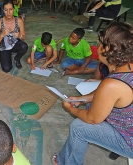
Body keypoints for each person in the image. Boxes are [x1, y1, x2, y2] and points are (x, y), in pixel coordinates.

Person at [53, 22, 133, 165]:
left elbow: (92, 119)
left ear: (107, 49)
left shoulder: (112, 84)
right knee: (90, 106)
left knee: (78, 127)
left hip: (129, 139)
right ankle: (62, 159)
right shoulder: (124, 67)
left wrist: (71, 108)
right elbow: (104, 93)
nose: (97, 47)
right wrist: (81, 99)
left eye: (99, 44)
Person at [0, 0, 28, 72]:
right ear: (3, 10)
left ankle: (16, 58)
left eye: (10, 9)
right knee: (6, 69)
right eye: (6, 10)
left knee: (24, 46)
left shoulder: (19, 20)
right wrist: (1, 35)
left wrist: (19, 36)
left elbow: (23, 37)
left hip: (14, 44)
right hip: (4, 47)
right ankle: (7, 55)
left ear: (14, 9)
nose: (8, 13)